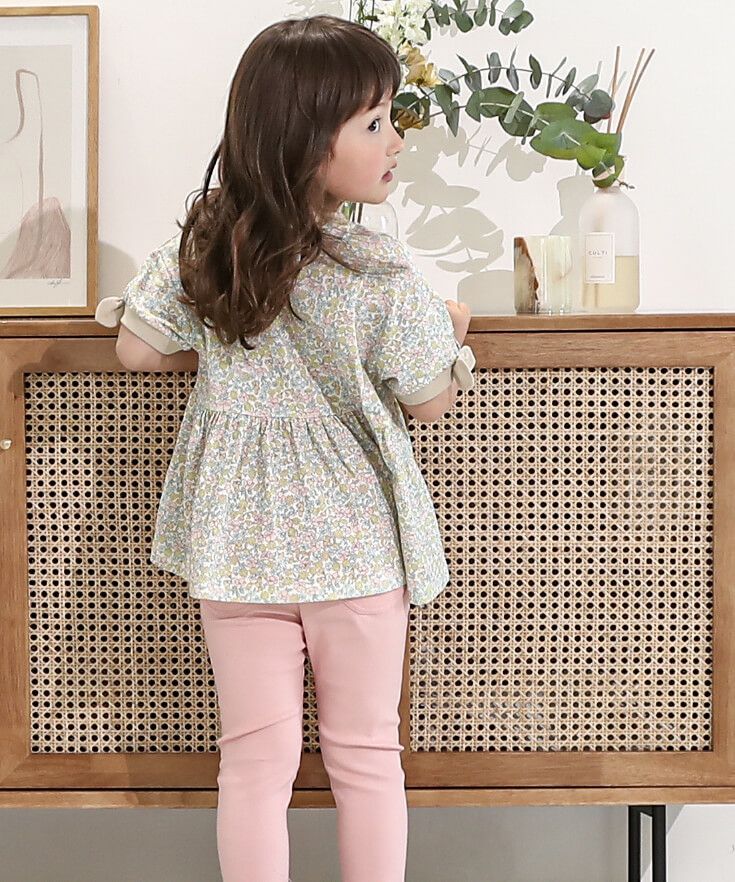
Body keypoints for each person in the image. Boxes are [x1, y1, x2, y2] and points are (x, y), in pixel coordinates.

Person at [95, 13, 475, 882]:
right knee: (367, 758)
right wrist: (452, 336)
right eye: (374, 122)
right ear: (306, 141)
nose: (396, 140)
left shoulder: (212, 250)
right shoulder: (377, 271)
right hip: (354, 549)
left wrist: (224, 342)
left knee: (253, 766)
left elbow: (137, 350)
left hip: (238, 547)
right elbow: (428, 400)